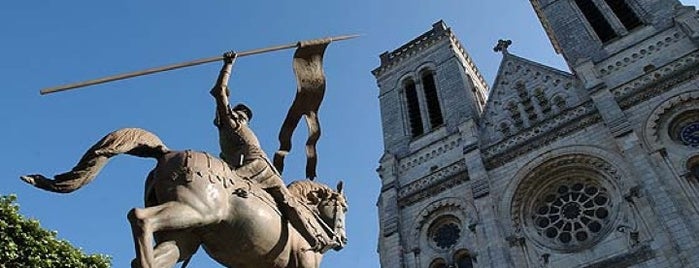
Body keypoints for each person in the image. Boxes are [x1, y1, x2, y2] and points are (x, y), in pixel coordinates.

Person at [210, 51, 331, 251]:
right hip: (255, 167)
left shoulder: (238, 126)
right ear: (234, 112)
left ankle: (310, 237)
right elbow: (219, 91)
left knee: (284, 202)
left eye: (247, 116)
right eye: (242, 113)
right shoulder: (228, 121)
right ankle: (313, 239)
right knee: (288, 200)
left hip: (260, 166)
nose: (245, 117)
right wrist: (228, 65)